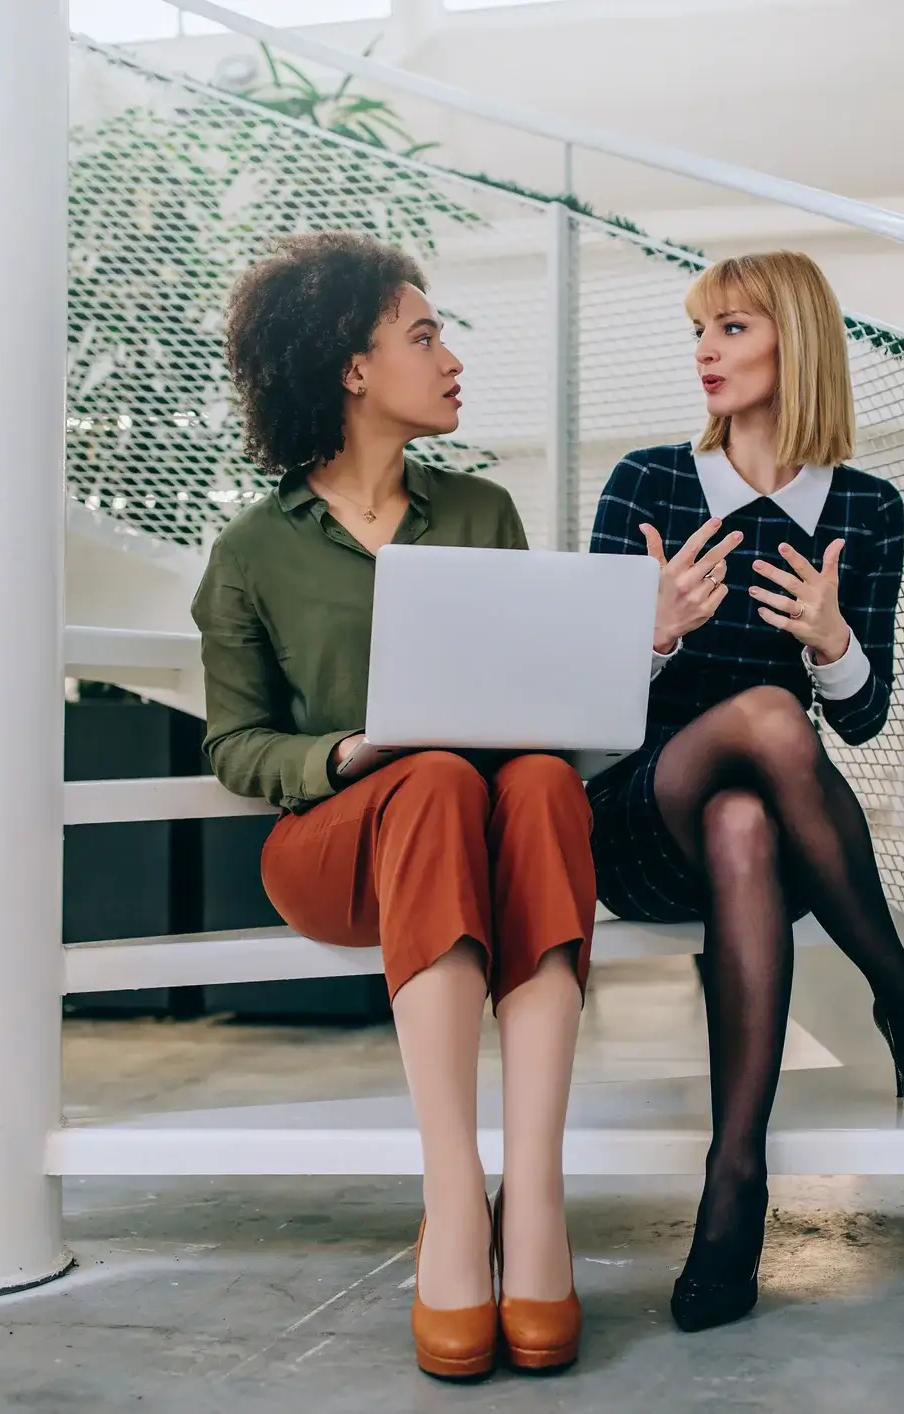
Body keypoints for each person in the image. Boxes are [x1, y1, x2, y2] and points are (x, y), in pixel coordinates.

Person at [192, 232, 588, 1380]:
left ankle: (540, 1193)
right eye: (425, 335)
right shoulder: (255, 550)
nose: (452, 356)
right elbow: (235, 741)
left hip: (484, 826)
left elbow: (532, 710)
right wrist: (357, 749)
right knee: (427, 774)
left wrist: (621, 649)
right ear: (352, 369)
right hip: (340, 846)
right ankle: (457, 1194)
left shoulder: (483, 512)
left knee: (539, 779)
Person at [587, 250, 904, 1334]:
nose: (704, 353)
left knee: (748, 807)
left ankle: (735, 1185)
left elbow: (856, 721)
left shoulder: (864, 506)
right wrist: (656, 630)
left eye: (732, 329)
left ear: (794, 344)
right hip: (636, 812)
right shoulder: (647, 485)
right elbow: (582, 710)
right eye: (700, 331)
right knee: (767, 724)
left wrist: (834, 643)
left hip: (761, 843)